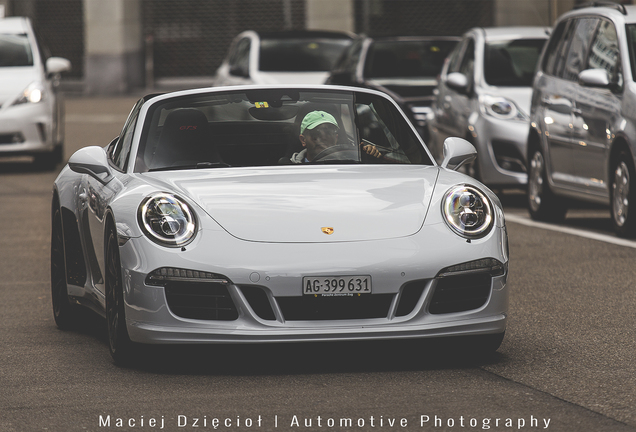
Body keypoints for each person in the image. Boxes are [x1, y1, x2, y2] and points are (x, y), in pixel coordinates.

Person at [290, 110, 381, 163]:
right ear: (303, 140)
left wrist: (368, 157)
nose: (323, 137)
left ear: (336, 138)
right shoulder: (289, 169)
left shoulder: (350, 163)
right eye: (316, 133)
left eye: (329, 132)